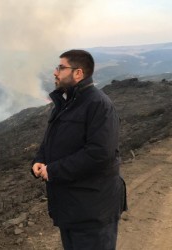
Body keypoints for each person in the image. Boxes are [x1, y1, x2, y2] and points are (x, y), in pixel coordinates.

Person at [32, 50, 127, 250]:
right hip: (72, 207)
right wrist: (40, 159)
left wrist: (54, 170)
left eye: (60, 67)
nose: (55, 73)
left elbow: (100, 153)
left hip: (93, 209)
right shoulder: (66, 103)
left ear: (78, 73)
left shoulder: (98, 105)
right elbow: (52, 139)